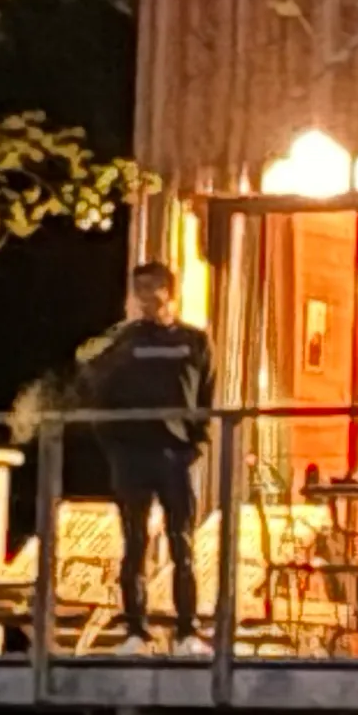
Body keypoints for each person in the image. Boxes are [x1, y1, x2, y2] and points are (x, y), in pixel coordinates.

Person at [70, 262, 213, 645]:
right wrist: (113, 443)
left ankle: (187, 630)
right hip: (132, 454)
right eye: (138, 291)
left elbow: (206, 397)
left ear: (170, 291)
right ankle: (135, 628)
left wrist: (196, 443)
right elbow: (95, 389)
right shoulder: (127, 342)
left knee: (182, 542)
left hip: (175, 454)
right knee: (134, 543)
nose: (144, 299)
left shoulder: (195, 341)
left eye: (151, 290)